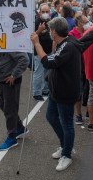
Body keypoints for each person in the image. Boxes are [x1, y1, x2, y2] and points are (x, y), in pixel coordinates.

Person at [31, 17, 81, 170]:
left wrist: (37, 43)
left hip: (65, 91)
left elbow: (48, 62)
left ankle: (67, 154)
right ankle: (65, 145)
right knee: (51, 116)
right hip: (56, 90)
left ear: (54, 31)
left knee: (67, 123)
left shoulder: (69, 46)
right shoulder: (63, 43)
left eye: (50, 30)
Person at [0, 46, 29, 151]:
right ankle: (19, 127)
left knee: (10, 109)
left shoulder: (11, 44)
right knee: (3, 106)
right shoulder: (0, 41)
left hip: (10, 81)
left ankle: (12, 137)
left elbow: (24, 59)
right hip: (1, 80)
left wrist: (14, 75)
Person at [32, 4, 52, 101]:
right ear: (39, 12)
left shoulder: (49, 21)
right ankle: (36, 93)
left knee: (46, 72)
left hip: (48, 51)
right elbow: (32, 37)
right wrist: (39, 31)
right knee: (38, 72)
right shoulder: (36, 22)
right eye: (43, 12)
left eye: (47, 12)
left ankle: (45, 90)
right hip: (39, 52)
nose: (45, 14)